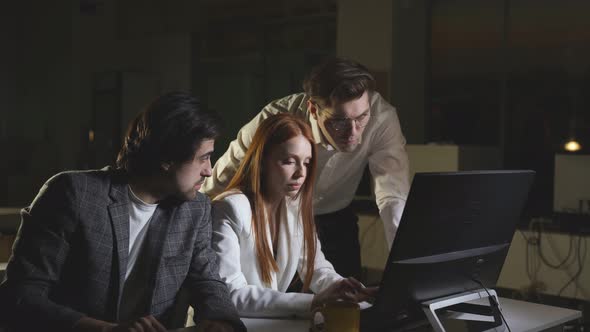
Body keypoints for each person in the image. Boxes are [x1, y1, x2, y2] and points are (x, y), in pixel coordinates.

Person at [0, 92, 245, 332]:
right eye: (203, 158)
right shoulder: (73, 194)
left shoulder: (195, 208)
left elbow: (207, 281)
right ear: (167, 158)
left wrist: (220, 321)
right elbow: (20, 295)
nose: (209, 171)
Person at [203, 57, 410, 280]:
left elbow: (394, 197)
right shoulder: (275, 121)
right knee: (273, 292)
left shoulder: (382, 118)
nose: (353, 132)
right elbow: (218, 183)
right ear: (313, 108)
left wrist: (408, 267)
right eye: (339, 121)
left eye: (361, 118)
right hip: (275, 216)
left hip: (336, 216)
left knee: (346, 296)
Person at [211, 113, 376, 318]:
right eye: (289, 161)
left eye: (306, 163)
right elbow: (232, 294)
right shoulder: (230, 207)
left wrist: (343, 288)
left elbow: (316, 268)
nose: (301, 173)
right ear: (261, 161)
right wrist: (316, 301)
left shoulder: (293, 206)